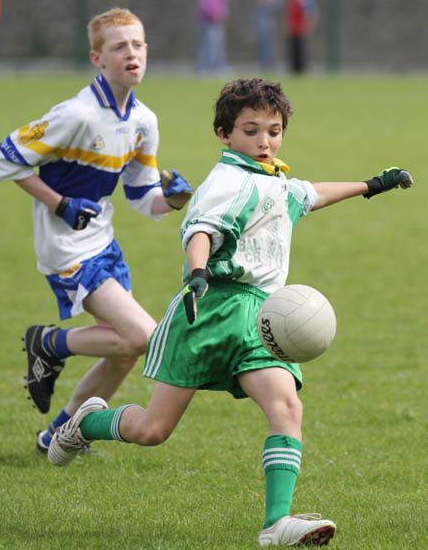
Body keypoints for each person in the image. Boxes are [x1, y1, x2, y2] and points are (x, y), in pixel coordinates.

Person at [47, 78, 413, 546]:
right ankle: (86, 423)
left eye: (274, 130)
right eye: (251, 130)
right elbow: (201, 228)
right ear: (224, 134)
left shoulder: (272, 178)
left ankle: (276, 524)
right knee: (153, 430)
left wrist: (372, 185)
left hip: (262, 316)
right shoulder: (227, 182)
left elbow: (308, 194)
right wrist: (198, 272)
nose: (264, 140)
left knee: (286, 406)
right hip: (210, 308)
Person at [0, 8, 193, 455]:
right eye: (119, 46)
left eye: (138, 44)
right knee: (143, 335)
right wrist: (58, 203)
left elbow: (141, 195)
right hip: (65, 247)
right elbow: (3, 160)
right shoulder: (76, 115)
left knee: (124, 351)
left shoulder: (144, 121)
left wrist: (174, 200)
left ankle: (58, 435)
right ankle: (47, 343)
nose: (132, 53)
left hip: (103, 242)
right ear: (97, 59)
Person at [195, 0, 229, 75]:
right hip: (209, 19)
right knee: (209, 46)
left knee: (217, 45)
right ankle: (207, 67)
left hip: (215, 19)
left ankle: (217, 67)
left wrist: (223, 12)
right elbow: (205, 4)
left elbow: (223, 1)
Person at [285, 0, 318, 74]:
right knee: (293, 50)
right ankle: (294, 69)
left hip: (301, 29)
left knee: (301, 50)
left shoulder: (306, 0)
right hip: (293, 29)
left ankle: (302, 69)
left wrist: (309, 26)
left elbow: (311, 13)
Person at [253, 0, 282, 71]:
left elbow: (278, 3)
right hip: (262, 20)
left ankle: (269, 65)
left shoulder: (270, 6)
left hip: (267, 22)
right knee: (263, 44)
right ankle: (264, 64)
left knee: (268, 44)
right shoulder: (260, 8)